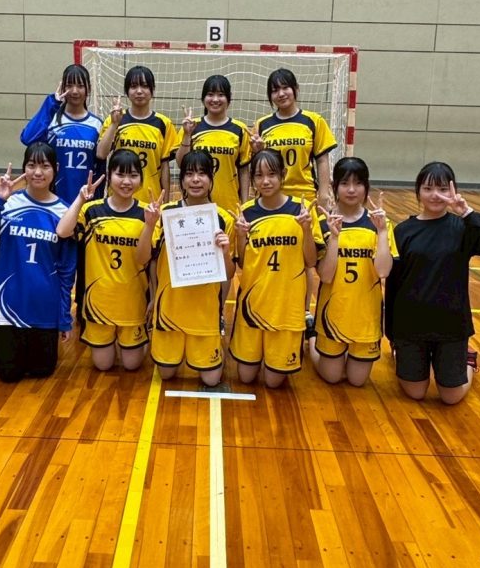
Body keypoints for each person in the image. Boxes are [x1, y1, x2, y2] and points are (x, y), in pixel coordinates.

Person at [385, 161, 480, 405]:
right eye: (428, 188)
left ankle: (467, 360)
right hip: (411, 325)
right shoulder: (402, 231)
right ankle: (404, 354)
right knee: (415, 392)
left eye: (443, 189)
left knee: (451, 397)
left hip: (451, 326)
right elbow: (393, 283)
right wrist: (391, 331)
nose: (436, 195)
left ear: (453, 191)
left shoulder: (463, 228)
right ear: (418, 191)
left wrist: (467, 212)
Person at [0, 142, 76, 383]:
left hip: (44, 309)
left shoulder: (65, 212)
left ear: (56, 168)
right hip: (7, 306)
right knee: (7, 374)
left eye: (45, 166)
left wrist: (64, 316)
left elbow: (67, 271)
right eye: (32, 165)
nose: (38, 172)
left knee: (41, 372)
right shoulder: (7, 204)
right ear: (24, 168)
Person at [137, 150, 235, 387]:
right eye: (189, 174)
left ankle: (214, 332)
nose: (196, 180)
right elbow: (142, 258)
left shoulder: (224, 218)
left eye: (202, 174)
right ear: (181, 181)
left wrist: (225, 252)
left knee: (211, 379)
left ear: (211, 179)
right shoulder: (165, 214)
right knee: (166, 374)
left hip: (204, 312)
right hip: (170, 309)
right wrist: (149, 226)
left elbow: (230, 273)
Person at [230, 149, 322, 388]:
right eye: (259, 176)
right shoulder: (246, 212)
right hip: (253, 305)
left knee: (273, 382)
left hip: (285, 307)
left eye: (271, 174)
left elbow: (311, 261)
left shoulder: (301, 210)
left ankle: (309, 334)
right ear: (252, 179)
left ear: (283, 174)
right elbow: (242, 263)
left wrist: (307, 230)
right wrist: (240, 236)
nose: (266, 181)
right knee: (246, 377)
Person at [306, 157, 396, 387]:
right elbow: (326, 276)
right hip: (332, 315)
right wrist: (335, 238)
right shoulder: (324, 223)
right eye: (345, 183)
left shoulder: (379, 224)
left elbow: (383, 271)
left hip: (365, 317)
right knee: (333, 377)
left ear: (367, 186)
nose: (352, 189)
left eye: (358, 183)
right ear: (335, 187)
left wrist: (382, 233)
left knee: (357, 381)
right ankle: (313, 337)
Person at [58, 148, 149, 372]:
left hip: (133, 303)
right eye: (120, 174)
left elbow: (148, 260)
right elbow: (62, 231)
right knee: (103, 365)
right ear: (109, 176)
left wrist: (151, 225)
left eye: (133, 175)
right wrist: (80, 199)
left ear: (140, 179)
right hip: (99, 304)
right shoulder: (92, 210)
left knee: (132, 365)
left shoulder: (147, 214)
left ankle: (141, 338)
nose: (126, 181)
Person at [251, 68, 337, 211]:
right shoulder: (261, 125)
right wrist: (258, 151)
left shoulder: (314, 121)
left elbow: (322, 160)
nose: (281, 94)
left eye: (285, 88)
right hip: (271, 197)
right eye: (275, 90)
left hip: (305, 196)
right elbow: (257, 165)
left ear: (296, 89)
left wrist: (323, 194)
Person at [20, 63, 103, 205]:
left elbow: (100, 165)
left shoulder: (97, 124)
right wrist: (52, 103)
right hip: (53, 198)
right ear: (62, 87)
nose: (74, 91)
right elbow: (27, 138)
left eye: (80, 86)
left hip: (86, 199)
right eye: (69, 85)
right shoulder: (52, 119)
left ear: (88, 88)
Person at [95, 65, 179, 203]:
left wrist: (165, 202)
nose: (139, 91)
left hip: (150, 201)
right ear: (127, 91)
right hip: (118, 200)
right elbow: (101, 154)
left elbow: (165, 167)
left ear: (152, 90)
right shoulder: (115, 119)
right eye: (134, 86)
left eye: (145, 86)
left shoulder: (164, 124)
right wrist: (114, 124)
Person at [175, 74, 251, 213]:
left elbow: (244, 171)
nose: (215, 99)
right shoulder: (192, 126)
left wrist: (245, 205)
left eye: (221, 95)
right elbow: (181, 164)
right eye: (210, 94)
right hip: (195, 205)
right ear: (203, 98)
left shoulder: (240, 129)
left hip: (229, 205)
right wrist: (186, 135)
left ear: (229, 99)